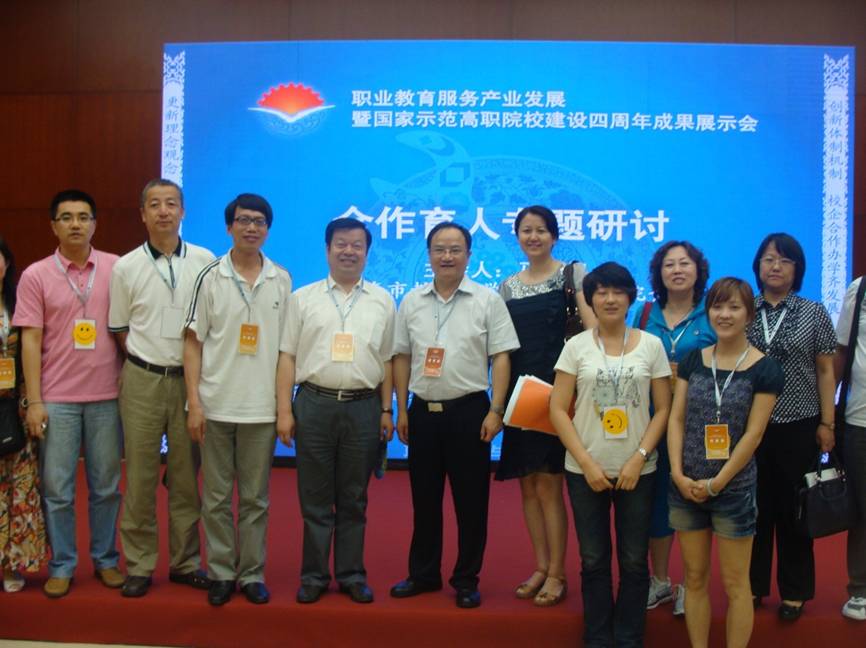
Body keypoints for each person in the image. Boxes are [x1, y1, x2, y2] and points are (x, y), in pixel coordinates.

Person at [390, 222, 519, 608]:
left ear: (468, 255)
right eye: (439, 249)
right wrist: (400, 407)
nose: (447, 256)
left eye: (455, 249)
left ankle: (466, 578)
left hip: (469, 411)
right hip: (422, 412)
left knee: (471, 501)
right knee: (424, 499)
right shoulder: (411, 301)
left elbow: (501, 356)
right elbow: (401, 356)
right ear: (429, 255)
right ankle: (423, 574)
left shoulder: (487, 300)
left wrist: (497, 409)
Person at [550, 261, 671, 647]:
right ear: (590, 299)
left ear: (631, 297)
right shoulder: (576, 346)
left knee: (634, 560)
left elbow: (663, 409)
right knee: (593, 559)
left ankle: (629, 637)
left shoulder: (651, 345)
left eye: (618, 291)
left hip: (639, 469)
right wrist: (586, 463)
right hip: (585, 469)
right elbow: (557, 409)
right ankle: (598, 636)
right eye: (601, 292)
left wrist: (639, 456)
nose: (610, 299)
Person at [277, 218, 395, 605]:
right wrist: (284, 410)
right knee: (314, 497)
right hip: (313, 404)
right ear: (327, 249)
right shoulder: (302, 298)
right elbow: (287, 356)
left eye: (357, 245)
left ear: (367, 252)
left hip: (363, 407)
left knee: (354, 497)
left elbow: (387, 360)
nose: (349, 251)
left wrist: (386, 409)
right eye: (341, 244)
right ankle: (313, 575)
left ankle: (351, 574)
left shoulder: (382, 300)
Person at [13, 189, 124, 598]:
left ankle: (106, 559)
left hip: (107, 396)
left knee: (106, 487)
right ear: (53, 226)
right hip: (56, 399)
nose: (75, 224)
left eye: (83, 217)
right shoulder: (36, 275)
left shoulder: (116, 268)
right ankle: (62, 564)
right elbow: (30, 340)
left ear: (94, 223)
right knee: (57, 489)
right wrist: (35, 401)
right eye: (66, 217)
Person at [184, 193, 292, 606]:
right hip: (215, 405)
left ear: (268, 229)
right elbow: (192, 343)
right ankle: (221, 572)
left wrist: (283, 408)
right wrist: (194, 403)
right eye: (244, 220)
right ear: (229, 227)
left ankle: (251, 574)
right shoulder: (210, 277)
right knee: (215, 498)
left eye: (259, 221)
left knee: (255, 499)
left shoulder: (281, 279)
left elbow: (286, 351)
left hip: (261, 409)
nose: (251, 227)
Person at [109, 179, 215, 597]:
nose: (164, 211)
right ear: (143, 214)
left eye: (171, 203)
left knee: (186, 477)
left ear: (183, 211)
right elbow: (120, 329)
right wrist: (147, 360)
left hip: (191, 382)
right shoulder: (126, 267)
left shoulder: (205, 261)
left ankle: (185, 562)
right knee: (139, 477)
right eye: (154, 205)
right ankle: (139, 564)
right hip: (142, 379)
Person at [668, 277, 783, 648]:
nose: (725, 314)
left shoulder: (765, 368)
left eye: (734, 307)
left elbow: (754, 435)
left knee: (736, 584)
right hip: (686, 487)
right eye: (717, 306)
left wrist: (718, 483)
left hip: (734, 490)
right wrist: (677, 474)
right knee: (694, 579)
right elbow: (676, 419)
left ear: (749, 314)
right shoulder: (693, 361)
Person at [495, 205, 595, 606]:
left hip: (558, 394)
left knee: (551, 485)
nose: (533, 236)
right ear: (517, 236)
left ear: (554, 236)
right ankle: (539, 566)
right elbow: (503, 348)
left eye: (540, 230)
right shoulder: (507, 287)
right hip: (521, 395)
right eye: (526, 230)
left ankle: (557, 572)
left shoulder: (572, 274)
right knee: (528, 485)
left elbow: (590, 330)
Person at [746, 232, 836, 621]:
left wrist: (827, 421)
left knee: (794, 509)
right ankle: (751, 587)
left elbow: (825, 369)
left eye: (784, 260)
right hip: (750, 425)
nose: (775, 266)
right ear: (758, 266)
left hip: (799, 424)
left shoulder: (814, 312)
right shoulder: (744, 308)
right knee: (753, 509)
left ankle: (795, 591)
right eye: (768, 259)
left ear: (797, 269)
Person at [635, 241, 715, 615]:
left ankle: (692, 584)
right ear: (659, 272)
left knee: (694, 501)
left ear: (698, 270)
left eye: (685, 263)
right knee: (655, 503)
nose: (677, 270)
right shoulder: (643, 313)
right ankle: (661, 581)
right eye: (669, 264)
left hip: (697, 423)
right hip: (651, 422)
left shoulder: (712, 313)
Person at [0, 237, 48, 592]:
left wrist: (33, 401)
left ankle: (12, 565)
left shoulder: (18, 301)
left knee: (19, 487)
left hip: (14, 407)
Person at [834, 275, 866, 621]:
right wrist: (827, 412)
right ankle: (861, 589)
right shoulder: (860, 289)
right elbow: (842, 350)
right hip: (861, 419)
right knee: (862, 509)